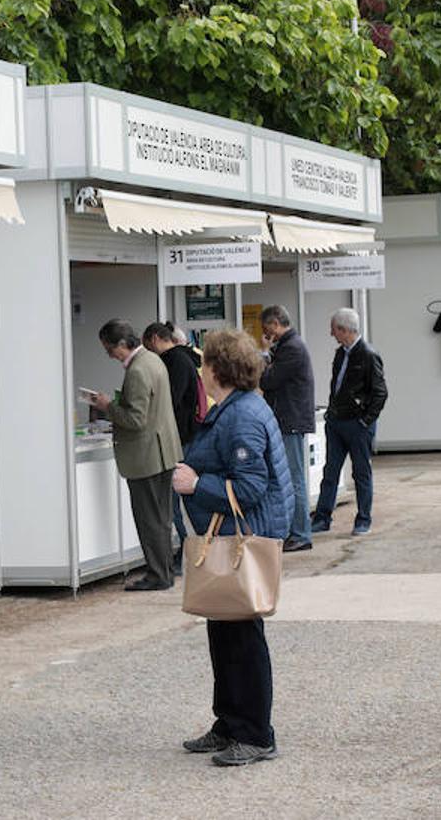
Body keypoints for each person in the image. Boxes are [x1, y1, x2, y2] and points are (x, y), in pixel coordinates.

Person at [170, 329, 292, 768]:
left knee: (242, 638)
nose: (200, 370)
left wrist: (194, 483)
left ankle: (256, 734)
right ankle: (229, 723)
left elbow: (252, 486)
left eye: (204, 364)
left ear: (218, 370)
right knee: (224, 632)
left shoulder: (241, 416)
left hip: (242, 540)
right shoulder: (237, 408)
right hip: (230, 538)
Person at [90, 319, 183, 591]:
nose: (109, 355)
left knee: (149, 519)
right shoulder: (154, 360)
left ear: (121, 344)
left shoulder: (138, 370)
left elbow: (136, 419)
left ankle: (158, 574)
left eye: (109, 349)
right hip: (162, 450)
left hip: (145, 456)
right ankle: (164, 571)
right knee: (162, 518)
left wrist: (108, 406)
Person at [310, 308, 387, 536]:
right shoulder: (341, 353)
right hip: (337, 422)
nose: (331, 333)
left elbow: (380, 393)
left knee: (361, 473)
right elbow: (337, 386)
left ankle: (363, 519)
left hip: (357, 425)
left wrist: (365, 421)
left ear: (344, 330)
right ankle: (322, 518)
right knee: (330, 471)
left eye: (334, 329)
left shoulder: (368, 355)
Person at [142, 320, 200, 571]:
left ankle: (186, 551)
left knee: (174, 497)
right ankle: (187, 549)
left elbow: (170, 402)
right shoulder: (188, 357)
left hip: (180, 438)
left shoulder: (174, 362)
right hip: (188, 435)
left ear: (155, 339)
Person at [258, 305, 316, 553]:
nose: (265, 332)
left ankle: (301, 533)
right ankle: (297, 531)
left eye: (266, 327)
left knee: (294, 479)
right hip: (289, 418)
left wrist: (262, 353)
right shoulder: (289, 346)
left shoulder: (292, 348)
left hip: (290, 420)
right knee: (292, 478)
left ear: (275, 324)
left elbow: (268, 380)